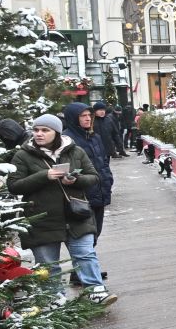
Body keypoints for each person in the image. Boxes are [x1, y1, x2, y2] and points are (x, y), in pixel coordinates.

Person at [7, 114, 115, 305]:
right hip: (42, 218)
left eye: (45, 130)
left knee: (85, 254)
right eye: (36, 130)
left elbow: (93, 176)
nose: (39, 134)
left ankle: (96, 290)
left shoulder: (75, 151)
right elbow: (14, 185)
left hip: (76, 214)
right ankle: (55, 298)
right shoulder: (23, 155)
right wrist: (44, 175)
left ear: (56, 132)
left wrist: (75, 179)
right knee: (49, 264)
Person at [61, 101, 114, 245]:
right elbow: (68, 168)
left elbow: (103, 161)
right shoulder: (66, 139)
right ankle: (88, 267)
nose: (88, 118)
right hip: (82, 196)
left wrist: (108, 180)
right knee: (85, 237)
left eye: (89, 115)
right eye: (83, 116)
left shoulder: (93, 136)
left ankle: (91, 267)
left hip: (100, 192)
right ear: (73, 118)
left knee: (96, 233)